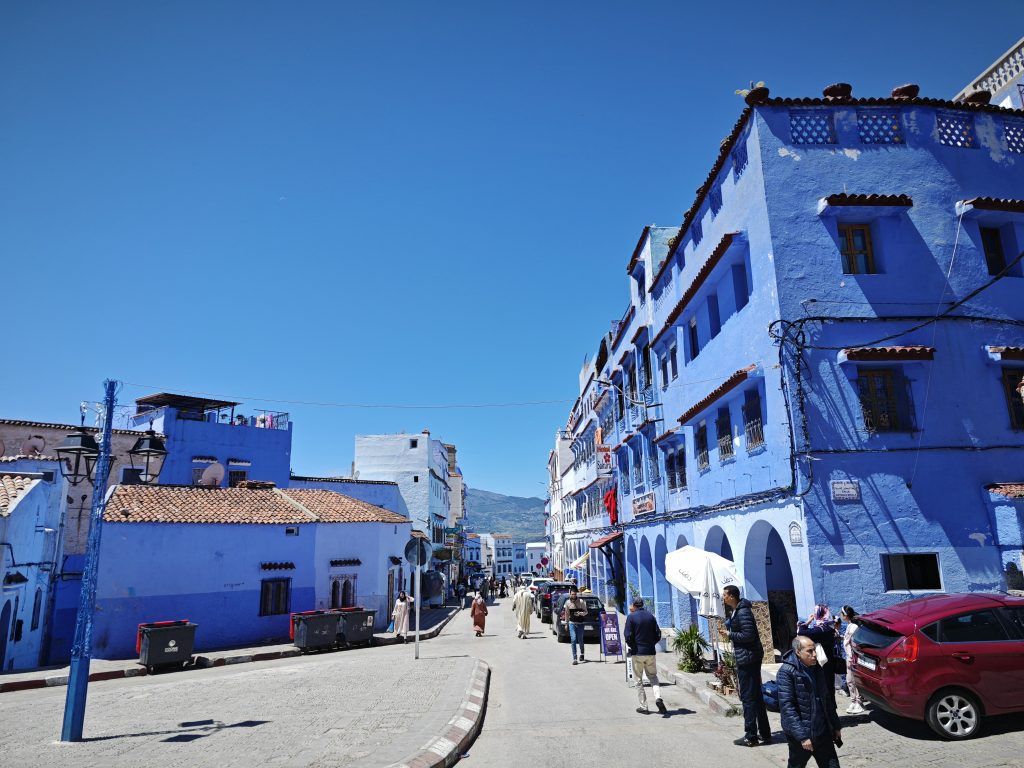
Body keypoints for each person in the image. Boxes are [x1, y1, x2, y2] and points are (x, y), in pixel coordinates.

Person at [778, 636, 843, 768]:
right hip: (802, 735)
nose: (814, 655)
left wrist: (835, 725)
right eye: (809, 651)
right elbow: (787, 707)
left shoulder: (817, 668)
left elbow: (826, 699)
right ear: (798, 652)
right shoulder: (786, 672)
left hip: (822, 732)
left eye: (814, 650)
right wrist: (802, 736)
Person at [723, 584, 771, 747]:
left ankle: (751, 736)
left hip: (748, 658)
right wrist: (729, 625)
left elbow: (748, 635)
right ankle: (765, 733)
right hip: (748, 657)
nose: (723, 598)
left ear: (731, 596)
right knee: (756, 696)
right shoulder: (738, 610)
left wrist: (730, 634)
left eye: (725, 595)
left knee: (748, 697)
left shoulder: (743, 611)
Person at [623, 597, 666, 715]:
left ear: (634, 605)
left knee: (638, 680)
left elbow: (627, 635)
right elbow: (658, 634)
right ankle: (658, 698)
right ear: (642, 605)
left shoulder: (631, 617)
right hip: (650, 652)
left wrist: (632, 646)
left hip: (638, 653)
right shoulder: (651, 616)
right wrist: (651, 644)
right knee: (653, 676)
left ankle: (644, 706)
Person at [798, 604, 839, 711]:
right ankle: (831, 712)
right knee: (829, 687)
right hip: (828, 662)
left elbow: (801, 632)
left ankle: (830, 714)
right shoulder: (828, 627)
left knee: (825, 688)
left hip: (823, 664)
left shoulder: (821, 629)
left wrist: (808, 621)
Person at [839, 606, 866, 715]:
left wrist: (851, 658)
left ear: (845, 615)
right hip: (849, 657)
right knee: (850, 680)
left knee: (853, 680)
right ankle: (854, 700)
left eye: (841, 614)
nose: (840, 615)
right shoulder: (850, 625)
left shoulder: (853, 626)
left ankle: (858, 702)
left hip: (852, 658)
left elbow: (854, 643)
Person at [562, 586, 590, 665]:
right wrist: (566, 624)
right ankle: (574, 658)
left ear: (576, 594)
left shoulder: (581, 602)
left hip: (580, 624)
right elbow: (566, 614)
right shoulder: (567, 603)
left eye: (574, 594)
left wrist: (581, 613)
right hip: (572, 623)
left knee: (580, 639)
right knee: (573, 639)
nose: (573, 596)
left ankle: (582, 653)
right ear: (570, 594)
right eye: (572, 594)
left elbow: (586, 612)